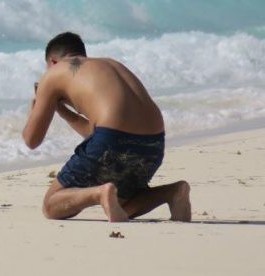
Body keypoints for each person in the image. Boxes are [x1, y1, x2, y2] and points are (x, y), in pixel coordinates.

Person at [22, 32, 191, 222]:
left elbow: (31, 140)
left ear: (52, 61)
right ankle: (172, 192)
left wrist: (37, 107)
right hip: (153, 144)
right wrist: (62, 111)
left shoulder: (54, 72)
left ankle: (99, 194)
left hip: (112, 140)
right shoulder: (110, 64)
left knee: (51, 205)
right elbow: (98, 133)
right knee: (124, 206)